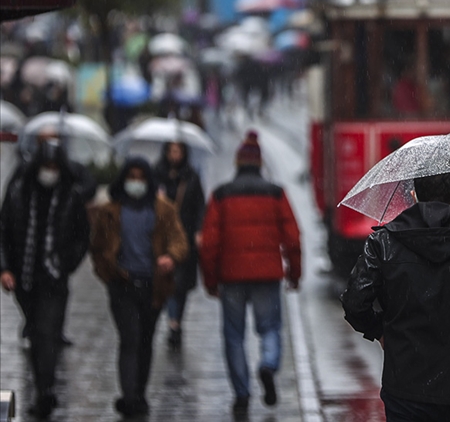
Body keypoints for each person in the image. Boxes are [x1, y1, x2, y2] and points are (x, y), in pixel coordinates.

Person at [341, 171, 450, 422]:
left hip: (405, 390)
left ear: (413, 196)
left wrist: (380, 331)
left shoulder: (383, 243)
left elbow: (355, 302)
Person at [199, 131, 302, 416]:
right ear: (259, 164)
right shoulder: (275, 193)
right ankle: (268, 364)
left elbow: (209, 244)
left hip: (231, 277)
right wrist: (294, 273)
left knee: (234, 336)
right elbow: (293, 238)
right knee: (270, 327)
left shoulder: (221, 195)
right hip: (268, 274)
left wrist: (210, 280)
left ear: (237, 163)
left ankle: (241, 394)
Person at [90, 157, 188, 418]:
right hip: (122, 285)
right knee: (130, 339)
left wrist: (171, 257)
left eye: (140, 177)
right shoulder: (111, 211)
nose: (136, 182)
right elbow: (98, 247)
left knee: (145, 341)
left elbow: (179, 240)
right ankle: (130, 396)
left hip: (153, 287)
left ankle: (139, 393)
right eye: (131, 177)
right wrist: (107, 273)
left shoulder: (163, 209)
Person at [0, 140, 90, 418]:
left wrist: (65, 265)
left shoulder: (70, 197)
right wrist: (5, 268)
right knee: (37, 331)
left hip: (53, 280)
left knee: (46, 334)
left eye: (54, 167)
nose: (49, 172)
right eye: (46, 166)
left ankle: (45, 390)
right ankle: (42, 386)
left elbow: (81, 236)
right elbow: (3, 232)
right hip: (24, 278)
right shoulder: (17, 194)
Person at [153, 142, 206, 350]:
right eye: (172, 151)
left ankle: (175, 322)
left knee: (180, 284)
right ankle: (172, 322)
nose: (175, 155)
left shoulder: (191, 176)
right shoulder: (156, 174)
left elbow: (200, 205)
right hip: (160, 237)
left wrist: (198, 231)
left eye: (179, 151)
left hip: (184, 237)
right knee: (165, 280)